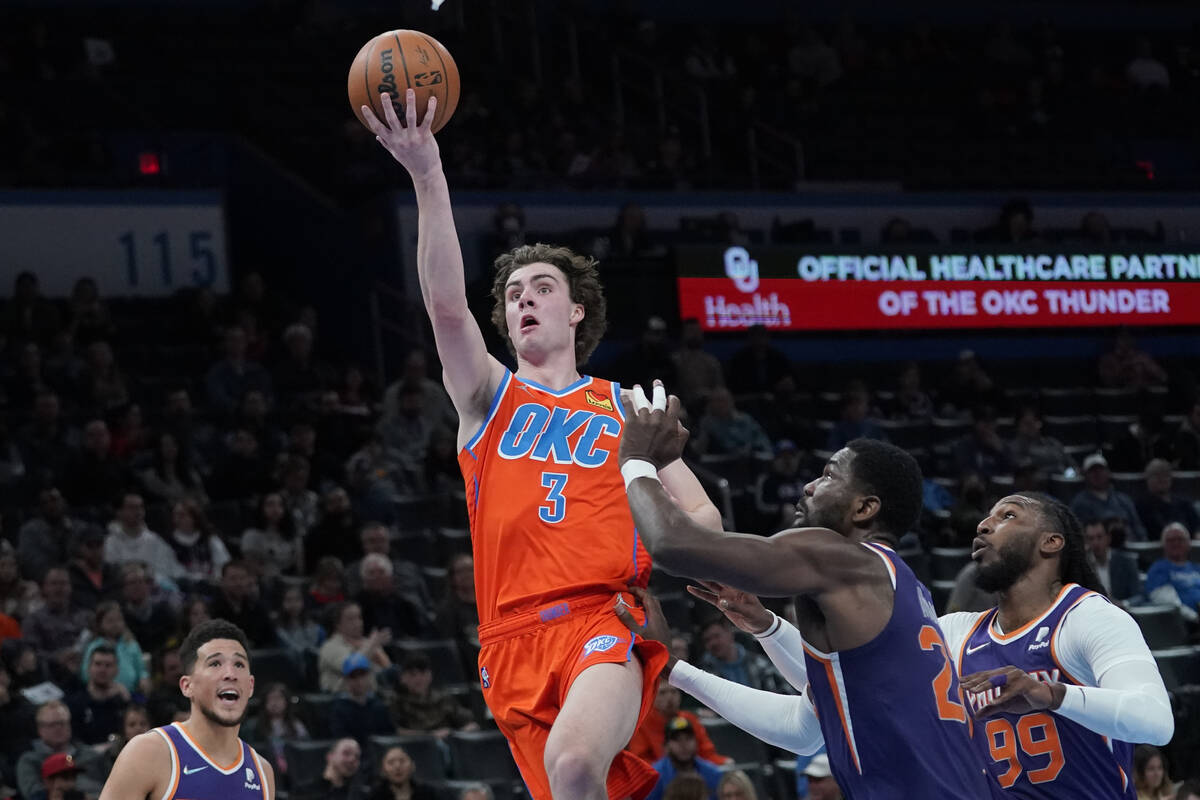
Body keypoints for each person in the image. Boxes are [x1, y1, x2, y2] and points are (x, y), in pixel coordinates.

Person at [363, 87, 723, 800]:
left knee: (575, 766)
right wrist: (427, 173)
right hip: (508, 640)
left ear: (576, 307)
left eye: (541, 287)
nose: (523, 298)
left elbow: (706, 524)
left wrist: (650, 469)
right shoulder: (487, 397)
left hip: (602, 617)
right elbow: (442, 303)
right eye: (512, 293)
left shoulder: (629, 406)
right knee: (568, 787)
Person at [616, 394, 990, 798]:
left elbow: (672, 543)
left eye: (828, 476)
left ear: (864, 508)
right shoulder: (902, 585)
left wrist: (637, 458)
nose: (810, 486)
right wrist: (747, 635)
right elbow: (804, 729)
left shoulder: (838, 555)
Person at [950, 493, 1173, 797]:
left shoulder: (1088, 616)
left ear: (1051, 542)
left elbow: (1156, 721)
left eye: (1008, 515)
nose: (984, 526)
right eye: (987, 516)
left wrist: (1052, 694)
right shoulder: (956, 632)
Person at [98, 619, 276, 800]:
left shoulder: (262, 772)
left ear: (251, 685)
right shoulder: (149, 752)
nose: (230, 674)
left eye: (239, 664)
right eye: (215, 664)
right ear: (187, 686)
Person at [645, 716, 724, 800]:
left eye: (688, 738)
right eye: (677, 739)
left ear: (696, 742)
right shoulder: (655, 777)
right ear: (666, 746)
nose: (683, 745)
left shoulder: (713, 773)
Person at [1144, 523, 1200, 620]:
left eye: (1180, 539)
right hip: (1184, 623)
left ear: (1188, 543)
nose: (1176, 543)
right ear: (1163, 544)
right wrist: (1195, 618)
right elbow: (1168, 602)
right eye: (1171, 540)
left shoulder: (1196, 568)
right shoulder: (1158, 569)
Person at [1083, 518, 1141, 603]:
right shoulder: (1082, 565)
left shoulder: (1127, 562)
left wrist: (1124, 604)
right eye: (1091, 538)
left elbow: (1139, 596)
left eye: (1099, 537)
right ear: (1086, 541)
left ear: (1108, 538)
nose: (1095, 542)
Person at [364, 745, 438, 800]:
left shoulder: (427, 793)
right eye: (391, 762)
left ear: (413, 766)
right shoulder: (375, 796)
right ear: (383, 769)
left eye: (402, 761)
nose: (397, 766)